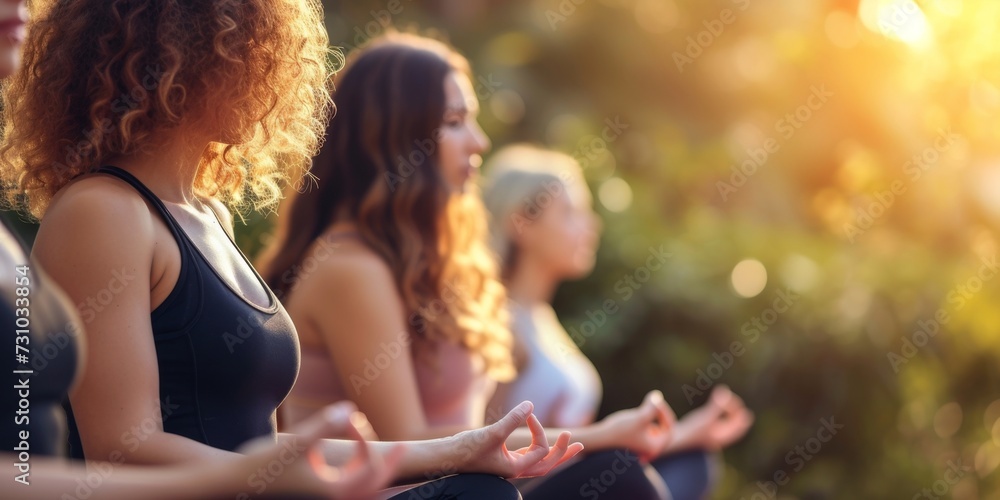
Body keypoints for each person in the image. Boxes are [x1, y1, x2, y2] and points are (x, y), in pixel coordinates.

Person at [0, 1, 579, 498]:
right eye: (241, 47)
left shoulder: (210, 217)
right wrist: (281, 474)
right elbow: (122, 450)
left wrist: (458, 448)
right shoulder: (104, 212)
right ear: (179, 57)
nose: (264, 71)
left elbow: (258, 448)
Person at [259, 32, 679, 499]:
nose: (479, 142)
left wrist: (623, 436)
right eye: (455, 123)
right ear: (398, 137)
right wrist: (602, 437)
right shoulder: (349, 266)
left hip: (461, 486)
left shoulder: (427, 262)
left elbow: (470, 439)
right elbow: (411, 446)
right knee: (610, 478)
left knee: (664, 470)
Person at [481, 144, 756, 499]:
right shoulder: (498, 320)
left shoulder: (543, 320)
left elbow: (577, 448)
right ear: (523, 224)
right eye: (570, 213)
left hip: (571, 477)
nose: (591, 225)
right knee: (624, 472)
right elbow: (482, 442)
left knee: (692, 459)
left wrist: (681, 434)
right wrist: (609, 436)